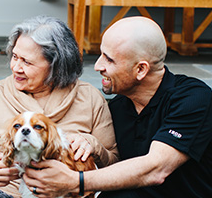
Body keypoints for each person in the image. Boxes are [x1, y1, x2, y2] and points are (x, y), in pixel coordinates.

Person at [22, 16, 212, 198]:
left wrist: (77, 181)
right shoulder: (119, 107)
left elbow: (156, 168)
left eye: (109, 59)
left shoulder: (192, 98)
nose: (97, 66)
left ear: (141, 70)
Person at [0, 15, 119, 197]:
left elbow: (114, 166)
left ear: (55, 65)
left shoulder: (90, 98)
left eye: (27, 62)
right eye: (15, 56)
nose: (15, 67)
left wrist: (93, 145)